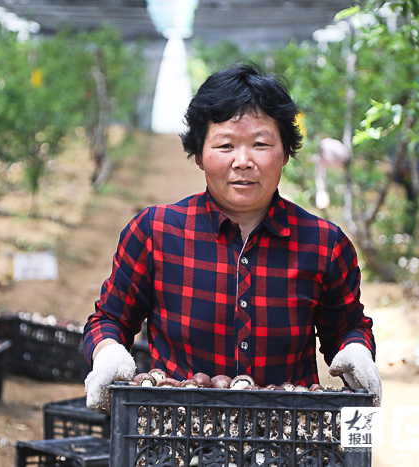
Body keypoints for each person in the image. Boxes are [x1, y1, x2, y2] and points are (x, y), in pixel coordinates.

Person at [82, 64, 381, 412]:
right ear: (199, 155)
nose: (243, 161)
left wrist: (356, 350)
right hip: (177, 432)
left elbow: (346, 328)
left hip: (288, 434)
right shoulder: (155, 232)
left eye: (260, 144)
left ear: (285, 152)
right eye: (225, 145)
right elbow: (109, 319)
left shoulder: (323, 244)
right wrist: (109, 354)